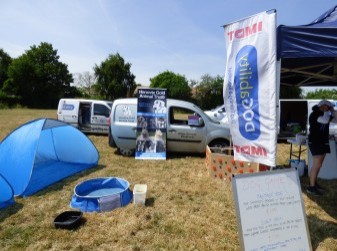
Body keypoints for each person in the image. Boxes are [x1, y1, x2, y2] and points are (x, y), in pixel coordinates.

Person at [307, 100, 337, 196]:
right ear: (323, 106)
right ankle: (311, 188)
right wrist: (328, 111)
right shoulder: (314, 114)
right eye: (328, 107)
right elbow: (325, 120)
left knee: (319, 165)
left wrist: (333, 110)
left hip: (323, 142)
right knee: (316, 164)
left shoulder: (326, 113)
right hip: (316, 142)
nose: (329, 109)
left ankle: (314, 183)